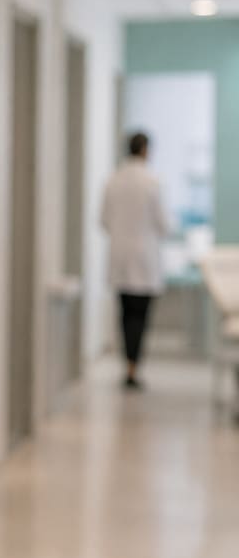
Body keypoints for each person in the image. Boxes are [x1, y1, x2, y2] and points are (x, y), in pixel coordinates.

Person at [100, 132, 173, 389]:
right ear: (145, 150)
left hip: (120, 255)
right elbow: (165, 225)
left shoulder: (113, 180)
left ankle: (128, 366)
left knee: (125, 314)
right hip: (145, 258)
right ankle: (133, 368)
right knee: (140, 316)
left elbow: (104, 221)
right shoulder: (152, 182)